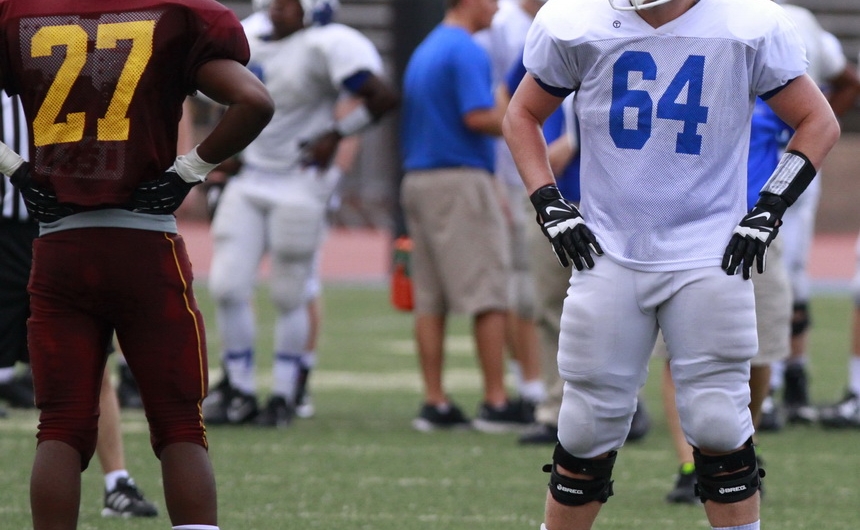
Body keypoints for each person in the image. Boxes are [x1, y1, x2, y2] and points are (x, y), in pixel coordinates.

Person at [503, 2, 839, 530]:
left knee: (719, 422)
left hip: (709, 251)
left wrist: (769, 207)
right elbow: (521, 114)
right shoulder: (578, 20)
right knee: (586, 424)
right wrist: (548, 202)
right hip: (608, 249)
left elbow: (818, 120)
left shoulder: (746, 23)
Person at [0, 1, 274, 529]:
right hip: (145, 247)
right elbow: (255, 100)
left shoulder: (20, 12)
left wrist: (17, 170)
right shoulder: (178, 11)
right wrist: (187, 172)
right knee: (179, 426)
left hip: (60, 248)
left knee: (59, 426)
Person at [203, 0, 399, 427]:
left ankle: (284, 393)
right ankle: (238, 388)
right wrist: (226, 159)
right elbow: (223, 99)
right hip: (251, 176)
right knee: (227, 286)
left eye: (289, 4)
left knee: (290, 292)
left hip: (299, 179)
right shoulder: (248, 36)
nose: (277, 9)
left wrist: (336, 133)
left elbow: (381, 97)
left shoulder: (327, 44)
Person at [0, 94, 158, 518]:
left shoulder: (51, 49)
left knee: (94, 360)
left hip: (57, 224)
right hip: (11, 227)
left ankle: (117, 482)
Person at [400, 0, 536, 433]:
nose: (497, 5)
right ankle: (496, 400)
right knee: (489, 291)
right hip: (459, 178)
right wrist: (523, 118)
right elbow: (477, 116)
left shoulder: (429, 47)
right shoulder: (466, 50)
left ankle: (435, 401)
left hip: (419, 177)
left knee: (431, 298)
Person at [662, 96, 794, 504]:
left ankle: (740, 450)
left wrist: (773, 204)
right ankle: (689, 464)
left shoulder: (778, 89)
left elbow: (817, 127)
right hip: (687, 227)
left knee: (759, 347)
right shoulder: (693, 76)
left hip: (755, 230)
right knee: (676, 350)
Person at [766, 2, 860, 426]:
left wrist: (813, 130)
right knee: (784, 268)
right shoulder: (798, 23)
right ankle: (785, 380)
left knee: (775, 269)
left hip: (766, 163)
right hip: (770, 163)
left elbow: (845, 81)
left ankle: (777, 383)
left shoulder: (783, 23)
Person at [476, 0, 549, 421]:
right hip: (522, 174)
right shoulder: (505, 27)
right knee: (525, 288)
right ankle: (533, 386)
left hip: (578, 179)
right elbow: (504, 104)